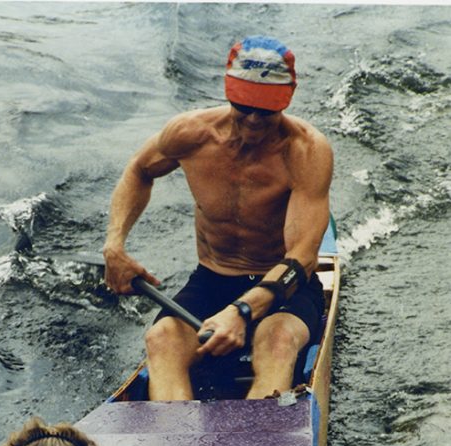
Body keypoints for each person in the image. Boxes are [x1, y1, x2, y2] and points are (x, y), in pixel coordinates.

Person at [103, 35, 333, 400]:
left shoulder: (306, 150)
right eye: (245, 107)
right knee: (160, 339)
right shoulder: (191, 134)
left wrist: (242, 311)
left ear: (286, 101)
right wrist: (115, 245)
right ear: (229, 93)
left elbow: (302, 258)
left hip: (283, 287)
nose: (255, 120)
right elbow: (138, 169)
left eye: (267, 110)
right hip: (213, 278)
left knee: (276, 342)